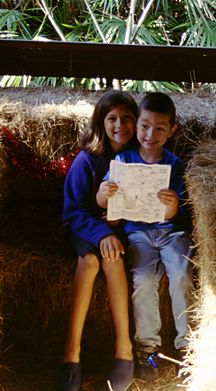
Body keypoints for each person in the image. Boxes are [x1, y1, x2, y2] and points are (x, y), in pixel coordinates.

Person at [97, 92, 194, 382]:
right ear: (137, 125)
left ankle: (187, 349)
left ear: (171, 131)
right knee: (144, 281)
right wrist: (104, 195)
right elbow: (106, 205)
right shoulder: (122, 159)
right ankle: (148, 352)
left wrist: (171, 203)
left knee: (181, 276)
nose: (151, 134)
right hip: (137, 234)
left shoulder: (174, 164)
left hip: (171, 233)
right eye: (144, 126)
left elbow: (171, 215)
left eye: (160, 128)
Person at [59, 90, 138, 391]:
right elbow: (73, 211)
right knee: (90, 260)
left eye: (127, 118)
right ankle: (71, 353)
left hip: (121, 231)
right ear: (100, 123)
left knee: (113, 259)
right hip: (86, 227)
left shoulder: (141, 159)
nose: (120, 125)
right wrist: (101, 231)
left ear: (136, 121)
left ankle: (124, 348)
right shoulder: (86, 160)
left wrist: (119, 223)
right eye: (112, 119)